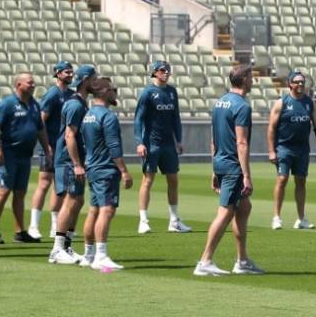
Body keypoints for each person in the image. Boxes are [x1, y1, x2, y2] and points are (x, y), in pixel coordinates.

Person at [194, 64, 265, 276]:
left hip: (221, 163)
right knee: (225, 213)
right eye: (251, 77)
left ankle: (242, 261)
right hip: (233, 166)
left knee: (244, 208)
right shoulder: (242, 106)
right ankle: (205, 261)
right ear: (244, 80)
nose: (253, 81)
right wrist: (247, 176)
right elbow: (241, 143)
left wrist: (214, 169)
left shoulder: (220, 103)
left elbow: (214, 139)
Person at [0, 72, 52, 244]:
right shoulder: (8, 104)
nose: (33, 85)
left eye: (33, 82)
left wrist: (46, 148)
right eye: (29, 83)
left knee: (20, 193)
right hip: (9, 155)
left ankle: (19, 231)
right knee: (4, 191)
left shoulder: (34, 105)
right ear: (19, 85)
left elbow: (40, 129)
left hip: (25, 155)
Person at [80, 77, 133, 270]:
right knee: (106, 210)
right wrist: (124, 171)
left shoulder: (88, 115)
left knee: (94, 210)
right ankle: (101, 256)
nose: (115, 93)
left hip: (92, 167)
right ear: (103, 92)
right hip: (105, 168)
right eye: (113, 89)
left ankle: (88, 254)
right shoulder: (107, 116)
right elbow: (113, 146)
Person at [134, 60, 191, 234]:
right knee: (148, 180)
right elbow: (139, 119)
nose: (166, 73)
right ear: (154, 72)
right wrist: (140, 142)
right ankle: (143, 221)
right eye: (162, 70)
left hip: (168, 144)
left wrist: (179, 140)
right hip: (152, 143)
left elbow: (176, 118)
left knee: (173, 180)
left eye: (168, 70)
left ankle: (174, 221)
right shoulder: (147, 93)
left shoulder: (172, 91)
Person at [268, 69, 316, 230]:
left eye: (302, 81)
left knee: (301, 182)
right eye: (297, 81)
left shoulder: (309, 103)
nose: (300, 84)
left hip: (302, 150)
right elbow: (271, 128)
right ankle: (276, 217)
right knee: (282, 179)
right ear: (290, 84)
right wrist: (272, 150)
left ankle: (301, 219)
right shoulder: (282, 103)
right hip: (284, 148)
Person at [48, 64, 93, 265]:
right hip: (68, 160)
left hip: (75, 159)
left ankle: (66, 246)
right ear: (85, 81)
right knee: (71, 200)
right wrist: (76, 164)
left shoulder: (80, 103)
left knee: (77, 200)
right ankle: (57, 249)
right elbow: (69, 135)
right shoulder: (75, 105)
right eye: (94, 79)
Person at [29, 61, 73, 240]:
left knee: (59, 185)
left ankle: (56, 224)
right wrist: (46, 145)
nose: (70, 75)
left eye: (71, 72)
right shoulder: (53, 94)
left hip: (63, 146)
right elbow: (41, 120)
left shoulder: (71, 94)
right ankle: (34, 225)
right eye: (67, 72)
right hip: (51, 145)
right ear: (58, 73)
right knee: (44, 182)